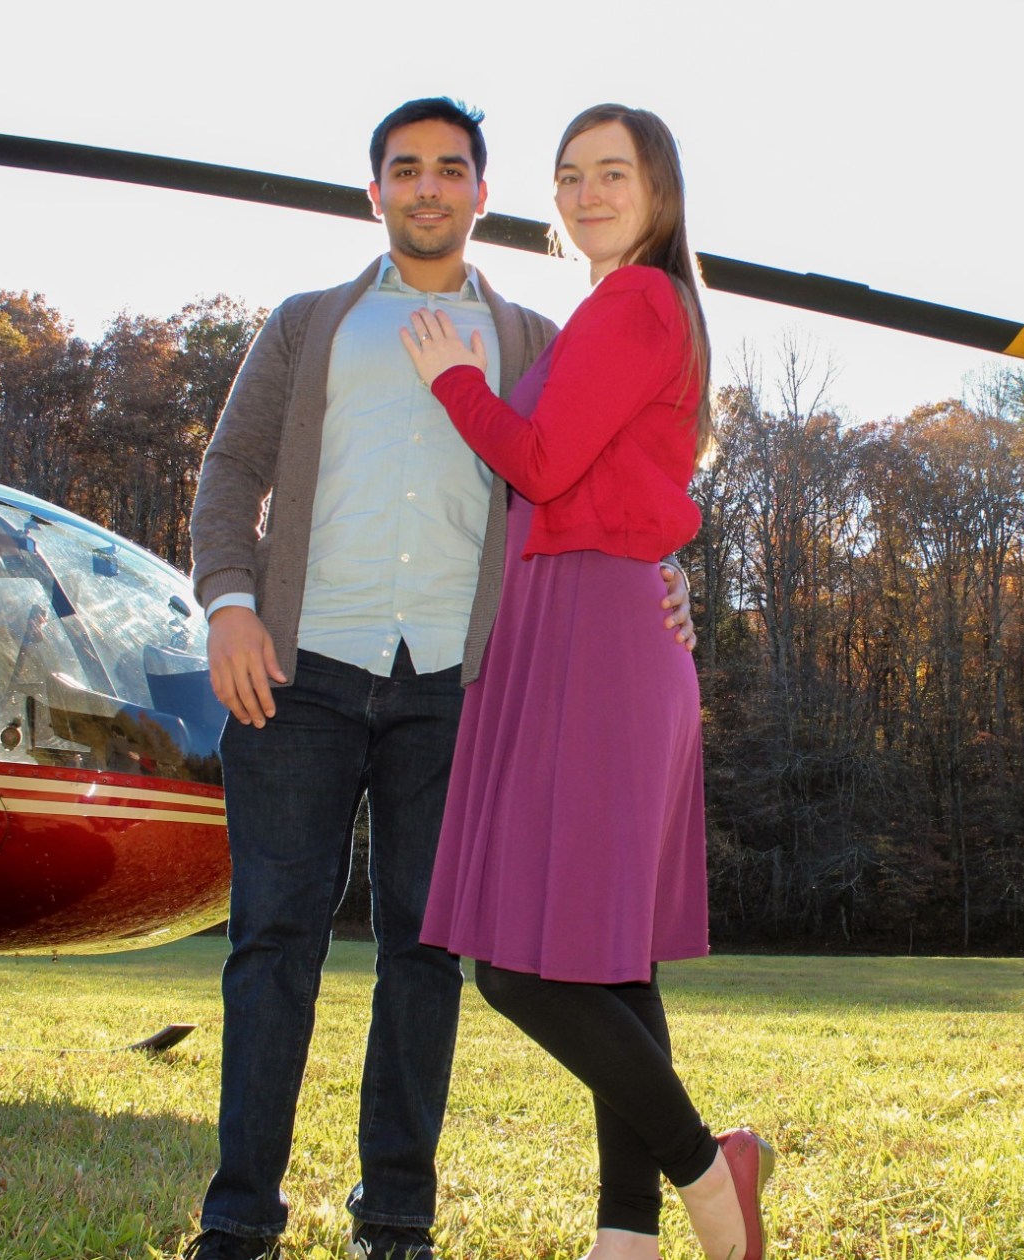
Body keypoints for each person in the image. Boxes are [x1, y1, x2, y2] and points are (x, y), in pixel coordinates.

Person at [185, 98, 696, 1260]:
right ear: (375, 193)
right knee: (273, 946)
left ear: (481, 194)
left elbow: (610, 474)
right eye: (404, 169)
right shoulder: (309, 323)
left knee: (427, 954)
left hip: (465, 687)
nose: (427, 186)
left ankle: (399, 1219)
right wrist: (227, 606)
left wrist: (670, 581)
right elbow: (231, 472)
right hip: (297, 669)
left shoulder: (532, 339)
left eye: (451, 169)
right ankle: (238, 1220)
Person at [401, 104, 774, 1260]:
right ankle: (628, 1238)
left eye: (614, 172)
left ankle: (715, 1177)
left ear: (659, 191)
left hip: (597, 630)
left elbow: (546, 462)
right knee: (609, 955)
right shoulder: (627, 310)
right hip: (588, 618)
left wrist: (458, 384)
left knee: (516, 966)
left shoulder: (638, 300)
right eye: (570, 176)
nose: (588, 192)